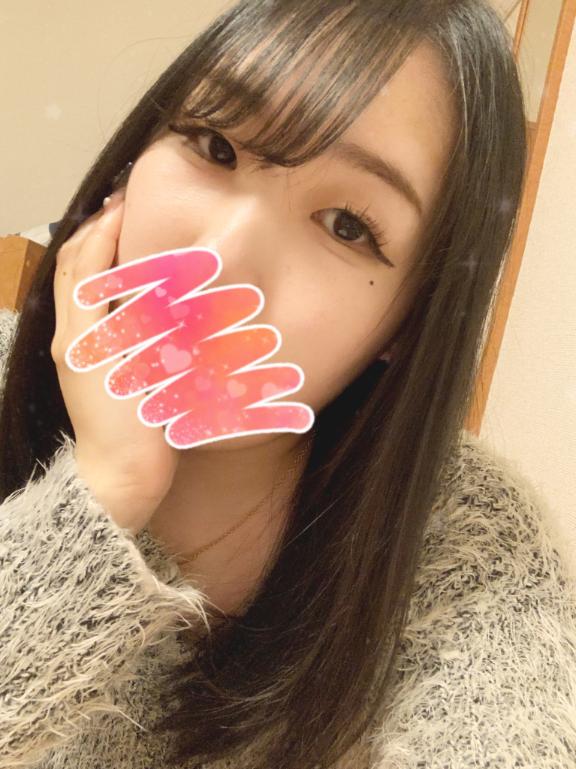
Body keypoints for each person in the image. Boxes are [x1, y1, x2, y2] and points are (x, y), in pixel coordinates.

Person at [1, 1, 576, 767]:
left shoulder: (470, 549)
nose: (221, 258)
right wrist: (104, 492)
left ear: (409, 324)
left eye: (346, 225)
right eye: (216, 145)